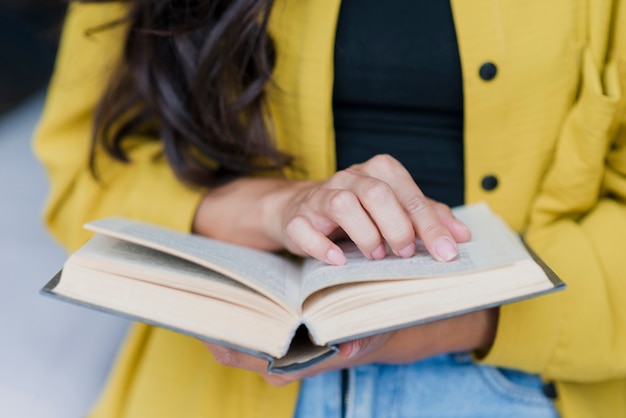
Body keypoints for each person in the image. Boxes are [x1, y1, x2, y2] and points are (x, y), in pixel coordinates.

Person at [33, 0, 626, 417]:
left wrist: (443, 321)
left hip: (526, 383)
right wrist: (277, 206)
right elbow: (85, 173)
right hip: (217, 385)